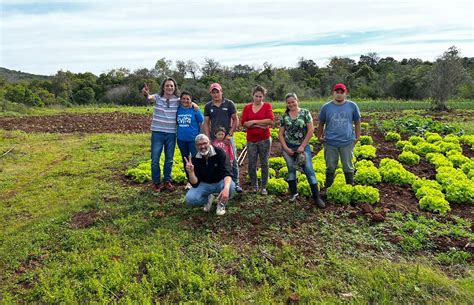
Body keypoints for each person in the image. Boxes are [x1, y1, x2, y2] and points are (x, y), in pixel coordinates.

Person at [142, 78, 197, 192]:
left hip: (171, 133)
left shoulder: (177, 100)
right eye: (167, 86)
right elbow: (149, 98)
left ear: (174, 87)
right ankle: (156, 183)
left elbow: (187, 101)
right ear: (163, 87)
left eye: (171, 86)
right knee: (155, 159)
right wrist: (146, 94)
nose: (169, 88)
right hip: (158, 133)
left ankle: (167, 181)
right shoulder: (157, 98)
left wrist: (194, 105)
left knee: (169, 159)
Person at [279, 93, 325, 208]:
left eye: (293, 102)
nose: (291, 104)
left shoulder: (305, 113)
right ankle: (294, 194)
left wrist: (302, 146)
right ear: (286, 104)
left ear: (297, 101)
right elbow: (280, 134)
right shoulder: (285, 116)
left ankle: (316, 197)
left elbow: (310, 130)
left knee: (309, 170)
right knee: (291, 170)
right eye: (288, 103)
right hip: (289, 147)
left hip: (303, 147)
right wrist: (286, 148)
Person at [317, 83, 361, 188]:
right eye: (337, 92)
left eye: (342, 92)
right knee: (330, 167)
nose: (339, 95)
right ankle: (328, 188)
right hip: (330, 142)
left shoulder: (352, 106)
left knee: (348, 166)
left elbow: (357, 121)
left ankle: (349, 187)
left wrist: (357, 137)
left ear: (346, 93)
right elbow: (321, 123)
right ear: (333, 93)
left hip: (347, 142)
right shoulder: (326, 107)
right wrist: (319, 136)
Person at [203, 83, 243, 193]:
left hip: (227, 139)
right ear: (211, 93)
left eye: (217, 91)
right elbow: (206, 123)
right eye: (213, 92)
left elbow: (235, 119)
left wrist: (229, 134)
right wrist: (207, 137)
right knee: (214, 160)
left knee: (232, 159)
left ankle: (236, 183)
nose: (216, 94)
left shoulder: (229, 104)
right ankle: (218, 182)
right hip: (214, 139)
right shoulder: (208, 106)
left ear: (222, 91)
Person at [184, 134, 235, 216]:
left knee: (231, 187)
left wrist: (226, 188)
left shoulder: (219, 153)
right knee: (190, 199)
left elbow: (227, 172)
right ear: (196, 146)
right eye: (199, 144)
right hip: (204, 184)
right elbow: (195, 183)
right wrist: (191, 172)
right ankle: (207, 199)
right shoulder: (193, 158)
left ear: (210, 143)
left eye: (205, 143)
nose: (203, 146)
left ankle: (221, 204)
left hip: (220, 182)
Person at [241, 85, 274, 195]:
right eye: (256, 96)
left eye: (260, 96)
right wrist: (261, 124)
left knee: (264, 163)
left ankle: (263, 187)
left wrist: (254, 122)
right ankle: (254, 186)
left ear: (263, 97)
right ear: (253, 95)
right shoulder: (247, 108)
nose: (258, 99)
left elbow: (270, 121)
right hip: (251, 140)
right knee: (251, 164)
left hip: (264, 139)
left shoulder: (267, 106)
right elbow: (244, 123)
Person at [176, 91, 204, 189]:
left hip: (193, 140)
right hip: (181, 140)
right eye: (183, 98)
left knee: (196, 160)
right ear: (180, 99)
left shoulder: (195, 110)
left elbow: (201, 123)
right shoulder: (178, 109)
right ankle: (190, 181)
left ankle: (199, 180)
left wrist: (201, 137)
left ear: (191, 100)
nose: (185, 100)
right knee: (186, 161)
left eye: (188, 99)